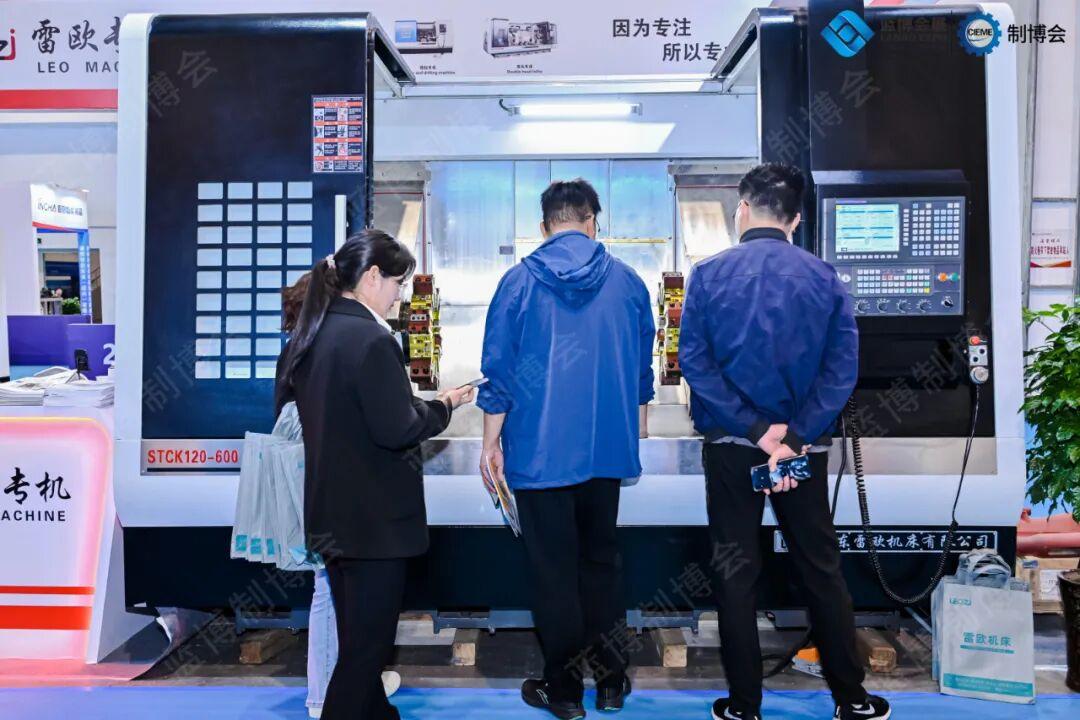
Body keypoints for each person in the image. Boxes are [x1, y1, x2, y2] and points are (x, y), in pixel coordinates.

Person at [678, 163, 889, 720]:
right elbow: (841, 371)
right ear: (795, 219)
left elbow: (695, 363)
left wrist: (754, 429)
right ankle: (852, 699)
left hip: (732, 447)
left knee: (735, 570)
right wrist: (792, 436)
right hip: (802, 451)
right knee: (820, 568)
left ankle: (745, 705)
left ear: (742, 209)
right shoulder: (825, 278)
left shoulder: (707, 276)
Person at [478, 179, 655, 720]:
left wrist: (491, 444)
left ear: (544, 226)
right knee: (601, 566)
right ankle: (611, 683)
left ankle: (564, 692)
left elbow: (499, 373)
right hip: (606, 453)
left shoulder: (517, 284)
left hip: (539, 456)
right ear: (592, 221)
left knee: (554, 575)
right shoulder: (628, 283)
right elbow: (642, 371)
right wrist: (634, 430)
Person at [279, 230, 474, 720]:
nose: (399, 296)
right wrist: (443, 407)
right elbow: (397, 428)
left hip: (332, 516)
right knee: (365, 654)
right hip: (374, 524)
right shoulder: (371, 340)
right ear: (371, 277)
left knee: (357, 639)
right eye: (396, 284)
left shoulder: (313, 333)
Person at [274, 271, 401, 720]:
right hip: (336, 493)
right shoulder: (333, 347)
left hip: (314, 490)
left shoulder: (301, 348)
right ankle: (327, 697)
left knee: (335, 596)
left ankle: (363, 698)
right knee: (335, 601)